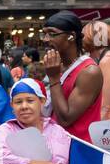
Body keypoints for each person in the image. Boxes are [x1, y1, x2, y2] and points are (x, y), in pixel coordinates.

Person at [42, 11, 102, 143]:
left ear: (71, 36)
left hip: (79, 152)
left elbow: (65, 118)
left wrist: (53, 79)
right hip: (57, 149)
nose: (46, 39)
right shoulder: (58, 66)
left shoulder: (89, 71)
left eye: (52, 33)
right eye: (44, 34)